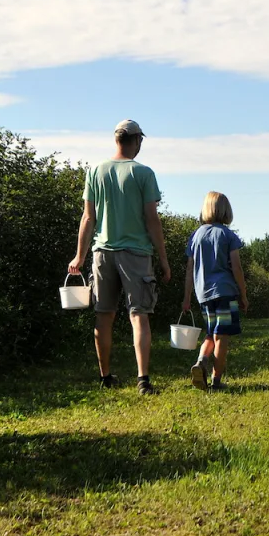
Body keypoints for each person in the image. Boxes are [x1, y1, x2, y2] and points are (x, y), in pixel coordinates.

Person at [68, 119, 170, 396]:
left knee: (104, 316)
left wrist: (79, 256)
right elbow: (152, 220)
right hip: (136, 254)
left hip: (102, 253)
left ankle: (105, 376)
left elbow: (88, 217)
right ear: (136, 140)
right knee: (139, 316)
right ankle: (143, 380)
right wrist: (163, 258)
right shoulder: (144, 173)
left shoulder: (95, 171)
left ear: (116, 140)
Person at [182, 192, 248, 390]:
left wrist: (186, 298)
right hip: (225, 292)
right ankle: (216, 381)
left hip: (203, 294)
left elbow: (189, 270)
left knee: (211, 333)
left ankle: (201, 361)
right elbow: (236, 267)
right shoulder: (228, 235)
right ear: (226, 211)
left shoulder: (196, 235)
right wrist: (243, 294)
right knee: (222, 337)